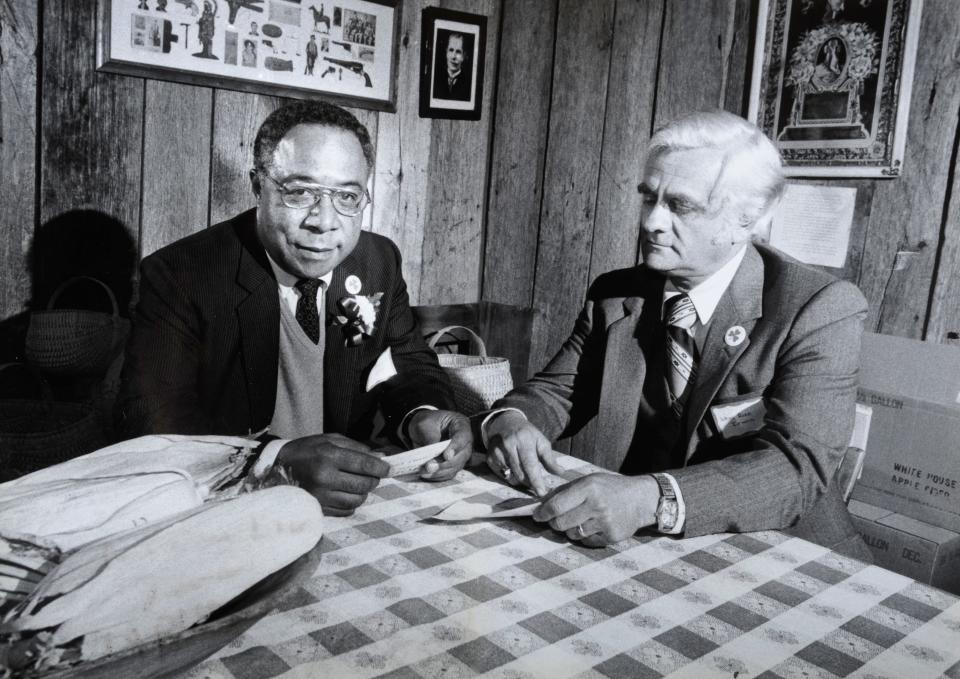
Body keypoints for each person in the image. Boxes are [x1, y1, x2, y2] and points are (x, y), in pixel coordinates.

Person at [482, 110, 870, 560]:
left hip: (785, 551)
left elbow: (794, 467)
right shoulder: (617, 293)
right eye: (649, 198)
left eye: (680, 206)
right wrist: (510, 420)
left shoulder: (820, 308)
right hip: (658, 548)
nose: (651, 222)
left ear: (748, 219)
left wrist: (651, 498)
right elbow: (560, 390)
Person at [118, 101, 473, 516]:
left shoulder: (379, 261)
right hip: (226, 506)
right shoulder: (182, 273)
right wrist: (277, 462)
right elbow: (153, 425)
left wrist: (421, 415)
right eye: (300, 191)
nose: (324, 221)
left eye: (346, 196)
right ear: (257, 186)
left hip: (349, 501)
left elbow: (406, 360)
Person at [433, 32, 470, 101]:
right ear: (446, 52)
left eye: (458, 52)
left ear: (464, 56)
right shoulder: (434, 79)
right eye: (451, 50)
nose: (453, 57)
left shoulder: (469, 85)